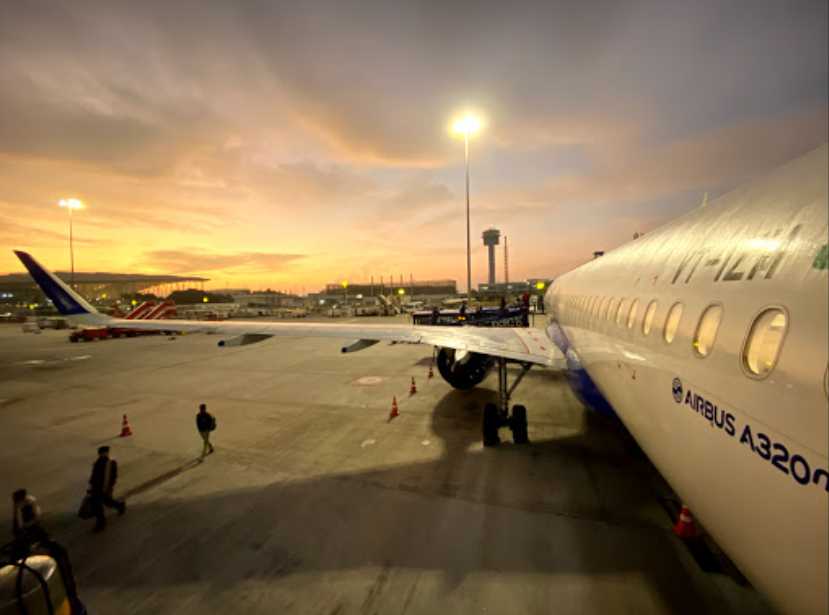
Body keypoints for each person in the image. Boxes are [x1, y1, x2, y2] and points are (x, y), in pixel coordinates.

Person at [88, 446, 125, 531]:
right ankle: (120, 506)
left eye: (104, 453)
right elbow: (94, 475)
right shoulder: (98, 462)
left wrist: (109, 487)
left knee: (101, 504)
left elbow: (113, 477)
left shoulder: (111, 462)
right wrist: (91, 485)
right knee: (104, 503)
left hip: (104, 488)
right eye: (101, 453)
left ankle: (101, 523)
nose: (102, 454)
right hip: (97, 487)